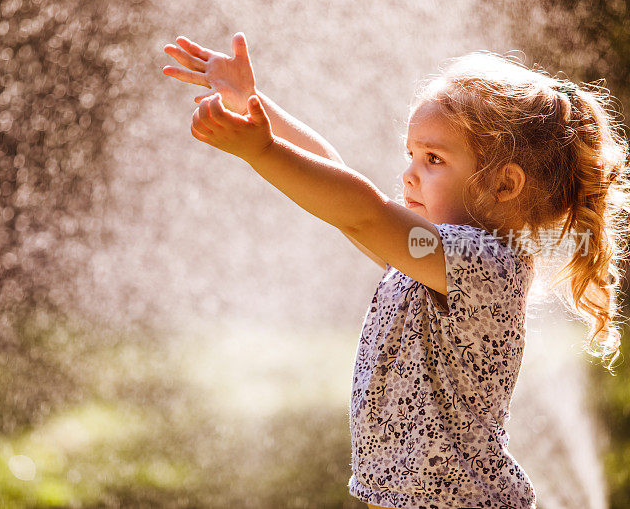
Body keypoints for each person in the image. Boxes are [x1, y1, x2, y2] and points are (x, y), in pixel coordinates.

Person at [162, 33, 630, 509]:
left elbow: (360, 209)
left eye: (433, 159)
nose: (409, 173)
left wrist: (260, 150)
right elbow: (335, 177)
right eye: (410, 154)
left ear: (503, 184)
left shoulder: (482, 264)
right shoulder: (428, 256)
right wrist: (253, 104)